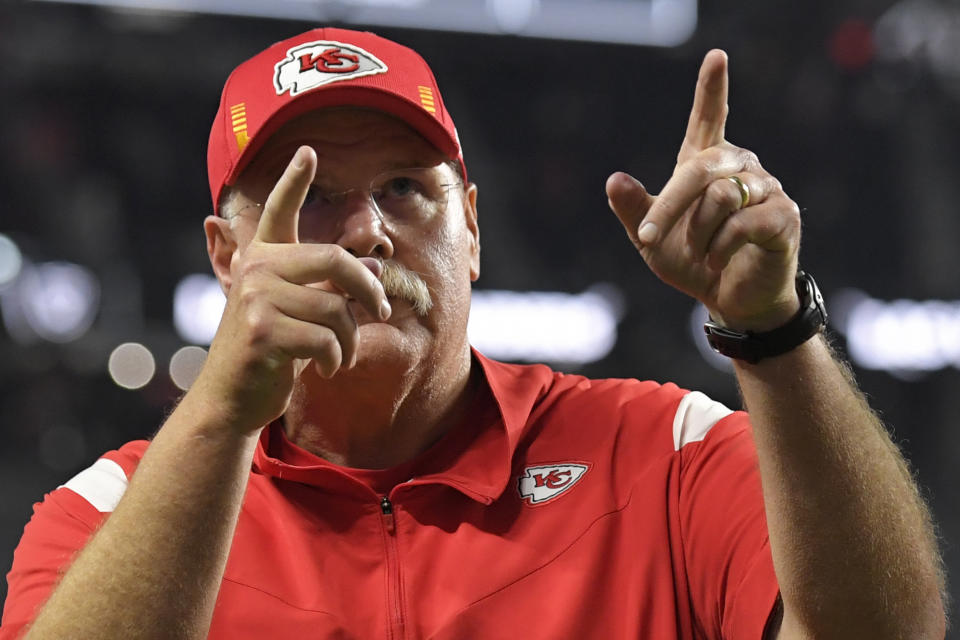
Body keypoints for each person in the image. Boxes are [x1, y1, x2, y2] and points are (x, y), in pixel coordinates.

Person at [0, 27, 946, 639]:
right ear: (225, 254)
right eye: (311, 196)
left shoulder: (660, 455)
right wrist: (216, 420)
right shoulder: (108, 513)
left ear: (474, 232)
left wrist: (774, 330)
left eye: (406, 188)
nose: (366, 230)